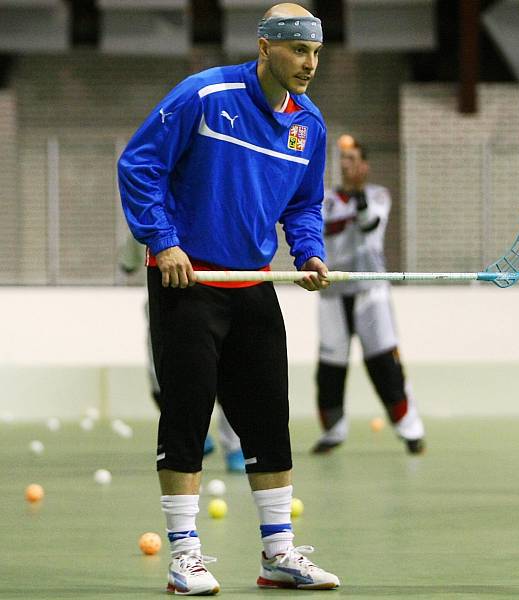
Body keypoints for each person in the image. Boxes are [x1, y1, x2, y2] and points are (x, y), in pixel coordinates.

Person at [117, 3, 340, 594]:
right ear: (265, 48)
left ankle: (278, 554)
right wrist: (163, 242)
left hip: (253, 282)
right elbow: (138, 163)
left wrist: (309, 252)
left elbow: (302, 203)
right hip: (188, 284)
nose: (309, 64)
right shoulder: (204, 94)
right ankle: (185, 558)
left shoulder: (308, 125)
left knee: (270, 420)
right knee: (188, 418)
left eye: (316, 52)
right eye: (298, 50)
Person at [311, 135, 425, 455]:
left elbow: (368, 225)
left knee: (384, 364)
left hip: (370, 292)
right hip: (332, 294)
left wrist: (358, 195)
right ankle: (333, 432)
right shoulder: (326, 200)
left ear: (364, 165)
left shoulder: (378, 195)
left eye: (353, 159)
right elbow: (318, 229)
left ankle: (410, 429)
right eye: (343, 160)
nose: (346, 165)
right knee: (330, 369)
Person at [118, 235, 246, 473]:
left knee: (227, 377)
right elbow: (129, 261)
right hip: (167, 306)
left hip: (219, 300)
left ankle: (236, 447)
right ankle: (194, 434)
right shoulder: (147, 219)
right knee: (162, 380)